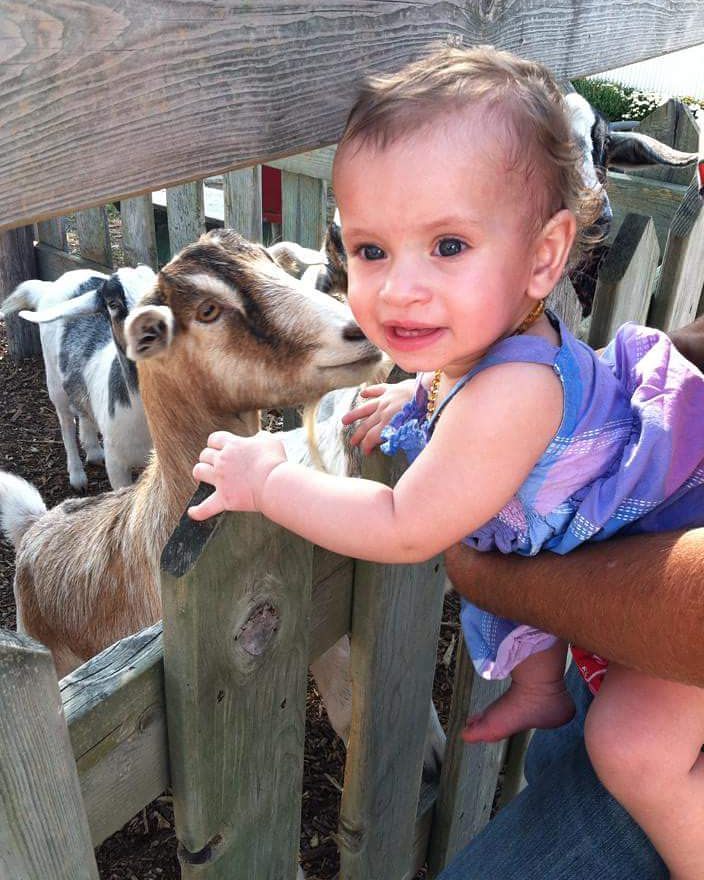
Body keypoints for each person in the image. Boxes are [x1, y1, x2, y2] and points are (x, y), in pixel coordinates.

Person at [188, 46, 704, 878]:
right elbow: (457, 390)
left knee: (632, 747)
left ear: (543, 257)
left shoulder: (512, 396)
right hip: (609, 543)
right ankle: (541, 686)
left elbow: (401, 527)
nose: (398, 291)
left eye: (449, 244)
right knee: (538, 581)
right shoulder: (486, 346)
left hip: (680, 545)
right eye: (371, 250)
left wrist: (270, 480)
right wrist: (415, 396)